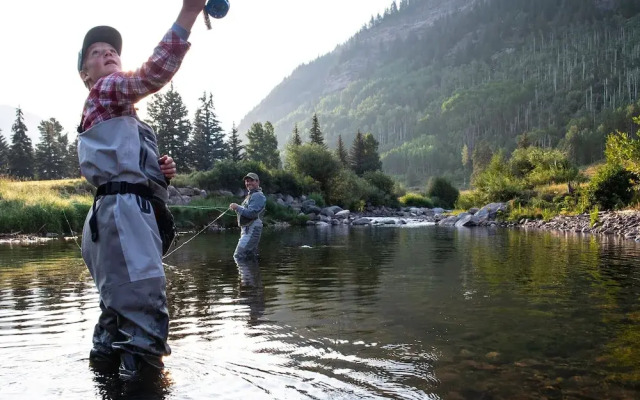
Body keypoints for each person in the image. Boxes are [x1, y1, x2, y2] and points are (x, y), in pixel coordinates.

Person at [76, 0, 208, 382]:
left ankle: (104, 382)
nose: (109, 54)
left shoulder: (120, 114)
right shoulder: (106, 90)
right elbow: (151, 75)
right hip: (121, 216)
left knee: (116, 312)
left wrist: (160, 174)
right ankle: (145, 388)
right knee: (146, 311)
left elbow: (126, 168)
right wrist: (189, 14)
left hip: (111, 216)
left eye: (113, 50)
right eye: (97, 54)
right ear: (86, 74)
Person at [230, 173, 267, 260]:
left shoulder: (258, 195)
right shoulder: (251, 195)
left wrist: (237, 207)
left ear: (258, 182)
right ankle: (251, 273)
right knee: (248, 257)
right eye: (247, 181)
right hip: (247, 230)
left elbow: (252, 214)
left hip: (252, 229)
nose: (248, 183)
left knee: (238, 255)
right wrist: (237, 208)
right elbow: (246, 212)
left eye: (251, 181)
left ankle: (248, 274)